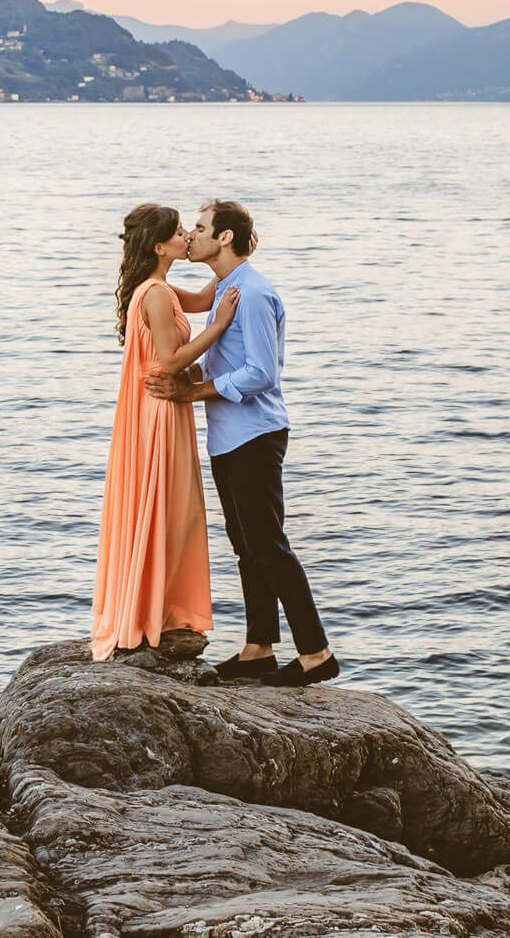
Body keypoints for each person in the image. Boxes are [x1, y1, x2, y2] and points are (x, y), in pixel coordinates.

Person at [147, 199, 337, 686]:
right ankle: (258, 647)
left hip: (256, 434)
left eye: (201, 227)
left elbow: (260, 373)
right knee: (246, 546)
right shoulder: (226, 288)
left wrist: (193, 391)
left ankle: (316, 653)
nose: (193, 233)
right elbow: (224, 355)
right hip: (229, 437)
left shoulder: (249, 294)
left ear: (225, 237)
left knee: (269, 546)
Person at [91, 203, 239, 661]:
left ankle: (159, 604)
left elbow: (198, 298)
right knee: (166, 508)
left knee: (169, 509)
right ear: (160, 246)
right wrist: (219, 327)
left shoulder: (158, 288)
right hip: (158, 411)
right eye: (179, 232)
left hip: (158, 407)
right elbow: (171, 361)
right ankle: (150, 610)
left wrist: (234, 259)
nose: (186, 237)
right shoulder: (153, 294)